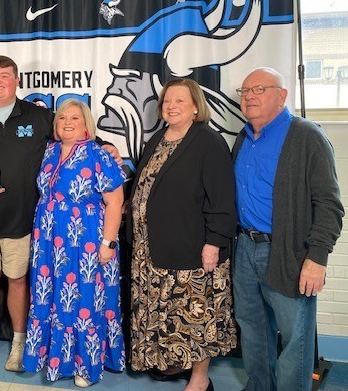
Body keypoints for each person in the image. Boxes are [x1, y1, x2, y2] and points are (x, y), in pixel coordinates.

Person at [0, 56, 123, 372]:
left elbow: (76, 135)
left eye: (5, 75)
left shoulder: (41, 117)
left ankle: (20, 343)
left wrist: (107, 145)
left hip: (26, 223)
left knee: (19, 281)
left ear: (18, 81)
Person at [232, 67, 343, 391]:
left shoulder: (308, 136)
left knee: (295, 338)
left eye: (260, 89)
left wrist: (317, 258)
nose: (250, 96)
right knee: (252, 330)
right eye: (245, 91)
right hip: (245, 249)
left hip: (288, 252)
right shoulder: (243, 138)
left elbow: (329, 204)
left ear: (282, 95)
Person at [129, 78, 237, 391]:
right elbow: (147, 185)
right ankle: (172, 362)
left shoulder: (207, 141)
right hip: (152, 249)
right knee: (166, 312)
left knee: (195, 314)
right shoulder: (159, 138)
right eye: (167, 101)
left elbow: (222, 198)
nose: (172, 106)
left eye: (180, 101)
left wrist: (214, 243)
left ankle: (200, 378)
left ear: (195, 107)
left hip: (192, 246)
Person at [22, 99, 126, 388]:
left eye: (75, 118)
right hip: (49, 242)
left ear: (86, 125)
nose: (67, 122)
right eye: (62, 118)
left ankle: (86, 365)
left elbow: (116, 201)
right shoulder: (48, 152)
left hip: (87, 242)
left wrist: (109, 243)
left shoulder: (98, 154)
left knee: (84, 302)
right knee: (51, 299)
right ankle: (51, 358)